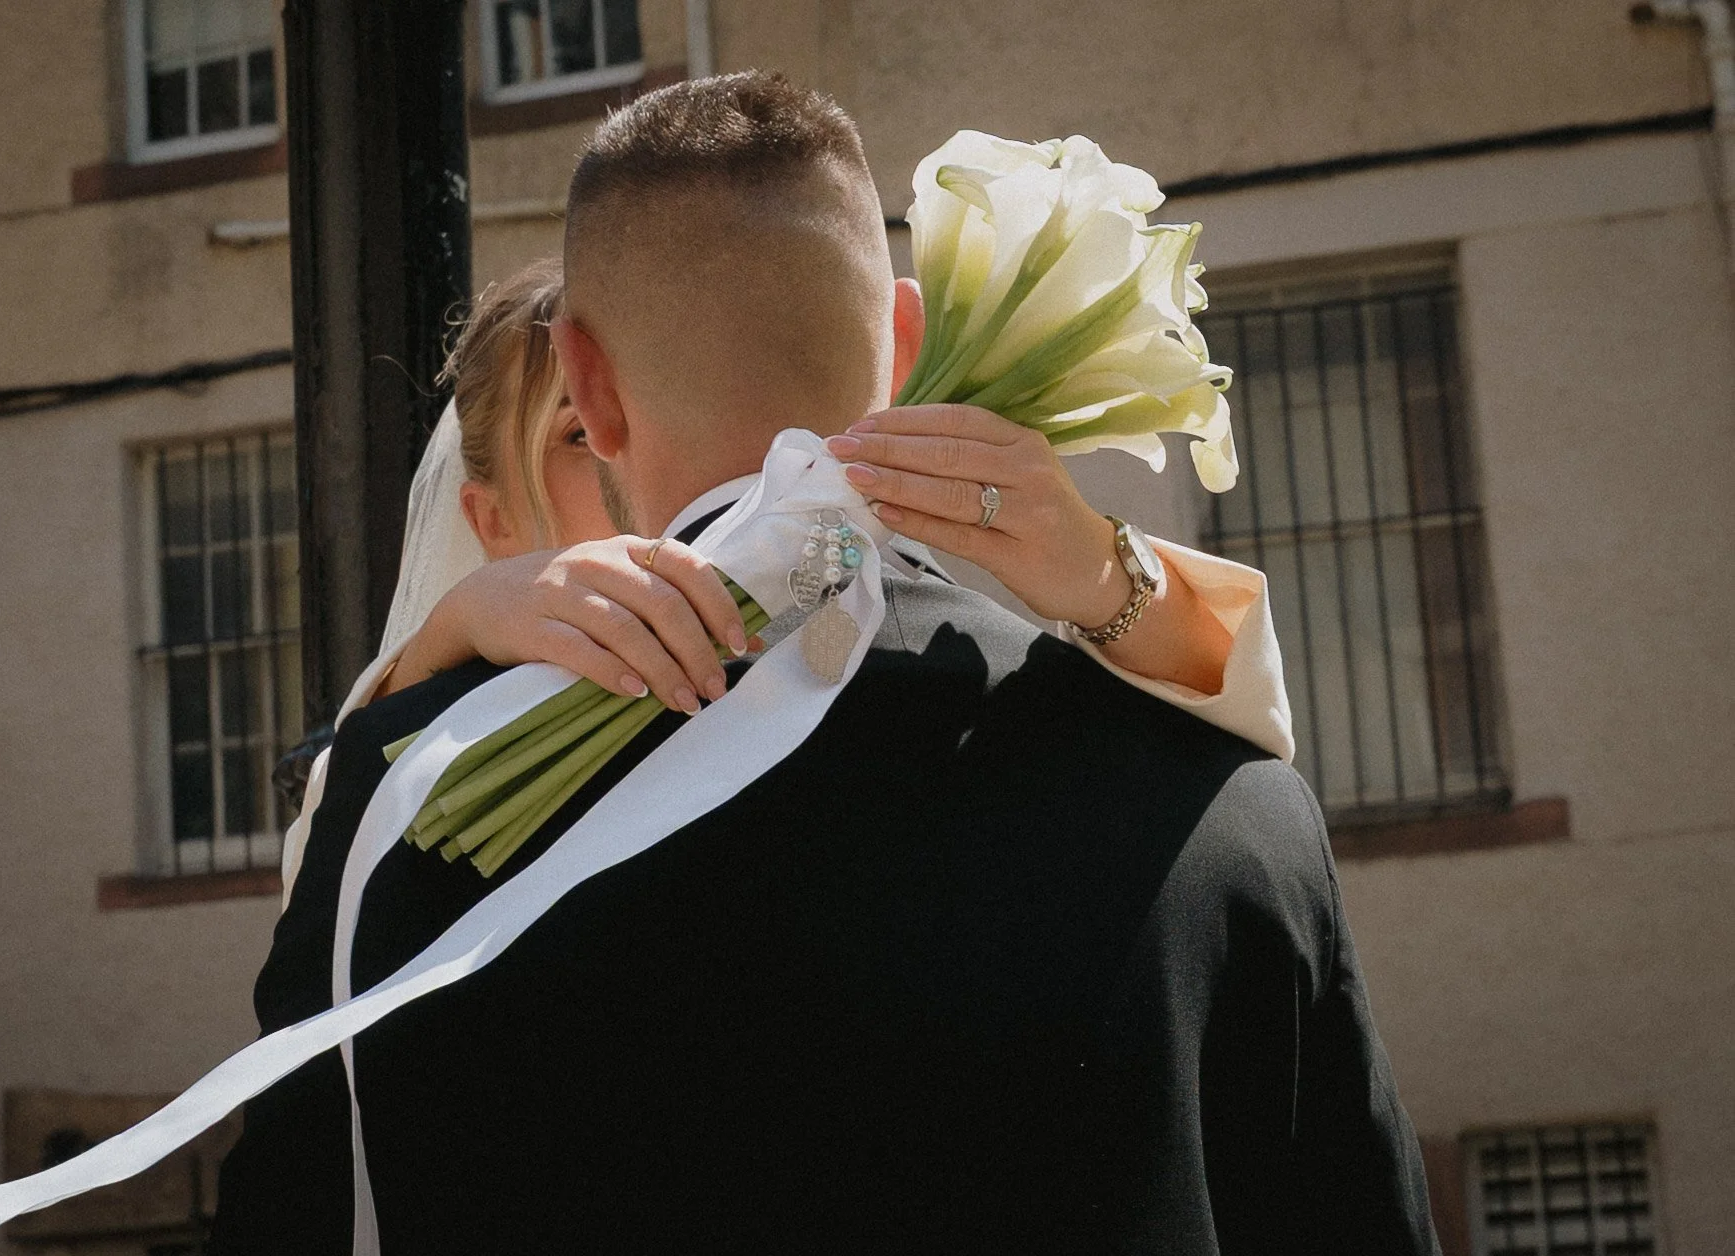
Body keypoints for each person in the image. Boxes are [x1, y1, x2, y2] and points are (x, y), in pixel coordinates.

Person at [212, 73, 1437, 1254]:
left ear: (589, 381)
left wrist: (411, 715)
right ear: (904, 340)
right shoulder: (1235, 819)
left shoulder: (409, 812)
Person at [278, 259, 1294, 901]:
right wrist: (450, 632)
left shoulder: (875, 644)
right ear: (492, 519)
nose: (649, 470)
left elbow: (1234, 767)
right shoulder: (431, 759)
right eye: (584, 437)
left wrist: (1103, 571)